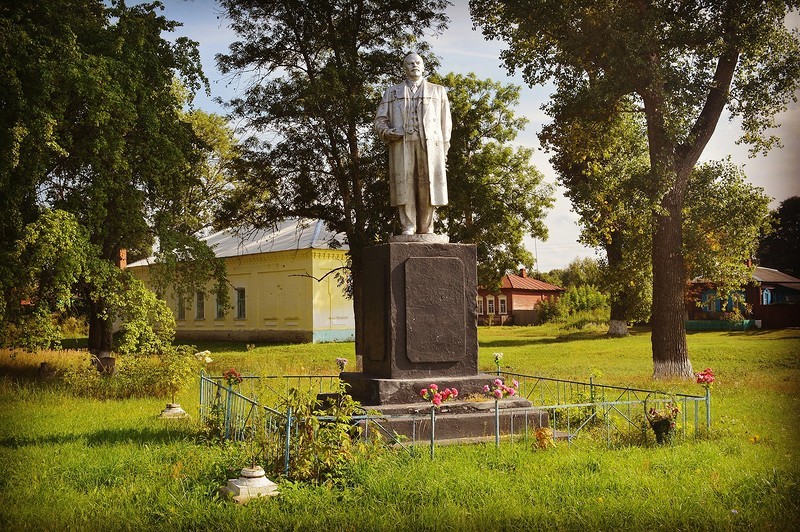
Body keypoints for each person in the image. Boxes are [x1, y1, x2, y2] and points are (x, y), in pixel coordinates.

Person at [374, 52, 452, 235]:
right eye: (410, 63)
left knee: (428, 185)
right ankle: (408, 226)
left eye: (418, 62)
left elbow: (445, 122)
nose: (414, 65)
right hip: (402, 143)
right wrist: (388, 132)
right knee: (405, 185)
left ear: (423, 66)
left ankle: (426, 227)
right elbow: (379, 120)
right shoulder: (392, 92)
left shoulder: (437, 90)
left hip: (430, 145)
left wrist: (445, 146)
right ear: (404, 68)